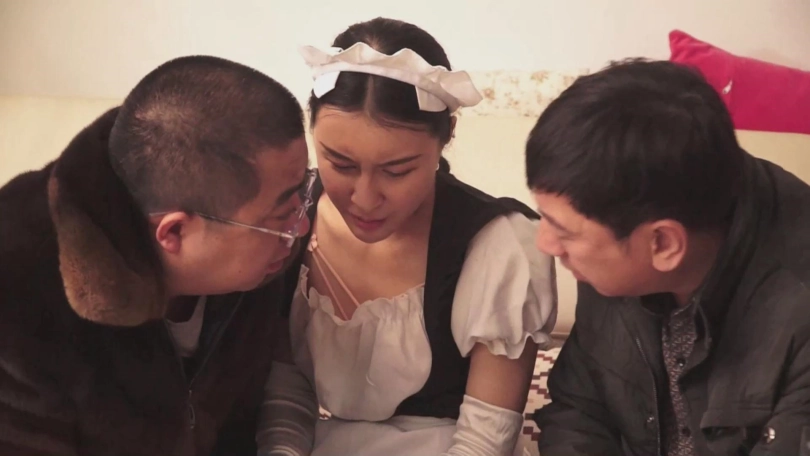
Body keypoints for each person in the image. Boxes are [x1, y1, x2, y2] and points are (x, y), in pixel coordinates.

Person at [256, 17, 558, 456]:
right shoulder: (290, 218)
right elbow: (287, 389)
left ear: (446, 137)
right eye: (340, 164)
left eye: (397, 171)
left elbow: (482, 441)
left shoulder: (496, 245)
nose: (365, 198)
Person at [0, 56, 312, 456]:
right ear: (175, 232)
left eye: (301, 195)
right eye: (282, 216)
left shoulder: (257, 242)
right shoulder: (17, 301)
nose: (300, 228)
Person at [527, 59, 810, 456]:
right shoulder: (631, 202)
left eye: (565, 232)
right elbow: (579, 410)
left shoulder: (797, 311)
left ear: (663, 244)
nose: (545, 244)